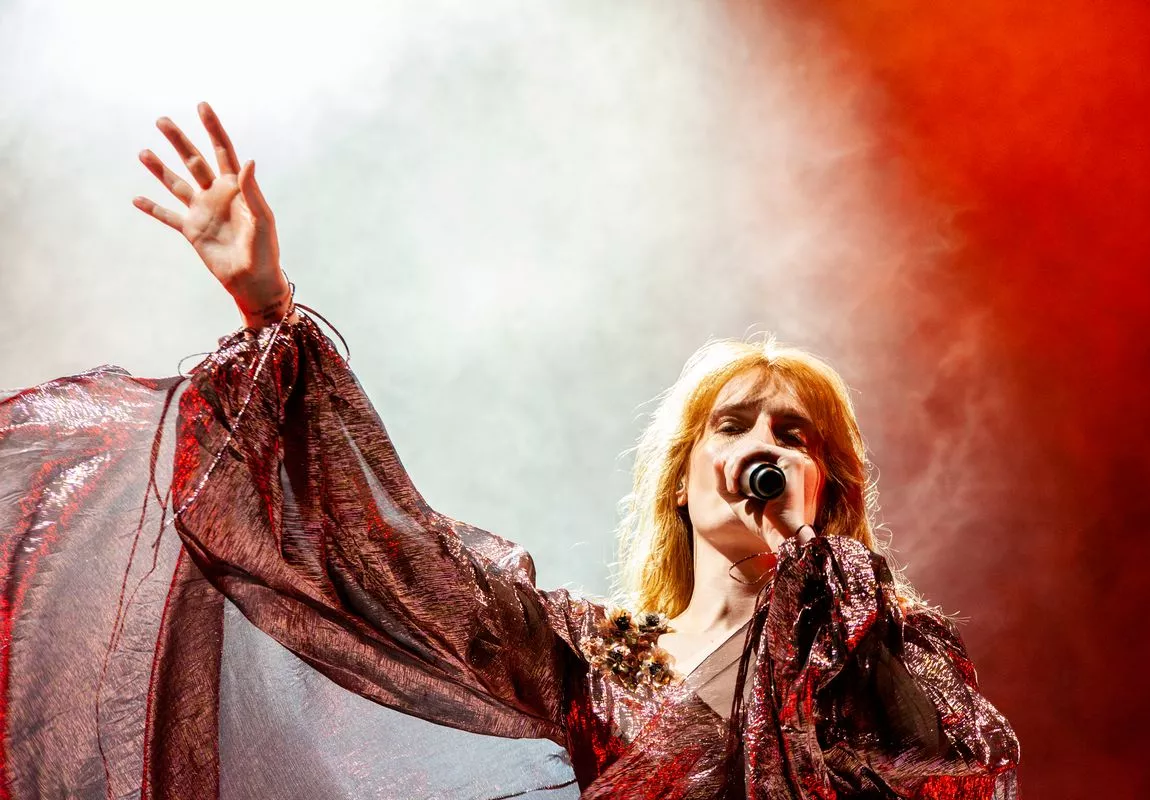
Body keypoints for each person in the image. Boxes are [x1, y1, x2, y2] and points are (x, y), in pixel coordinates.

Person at [0, 103, 1020, 799]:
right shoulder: (597, 651)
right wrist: (270, 311)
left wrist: (821, 571)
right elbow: (400, 562)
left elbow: (960, 770)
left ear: (828, 484)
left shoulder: (880, 647)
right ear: (681, 474)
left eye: (794, 435)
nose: (762, 445)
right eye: (736, 422)